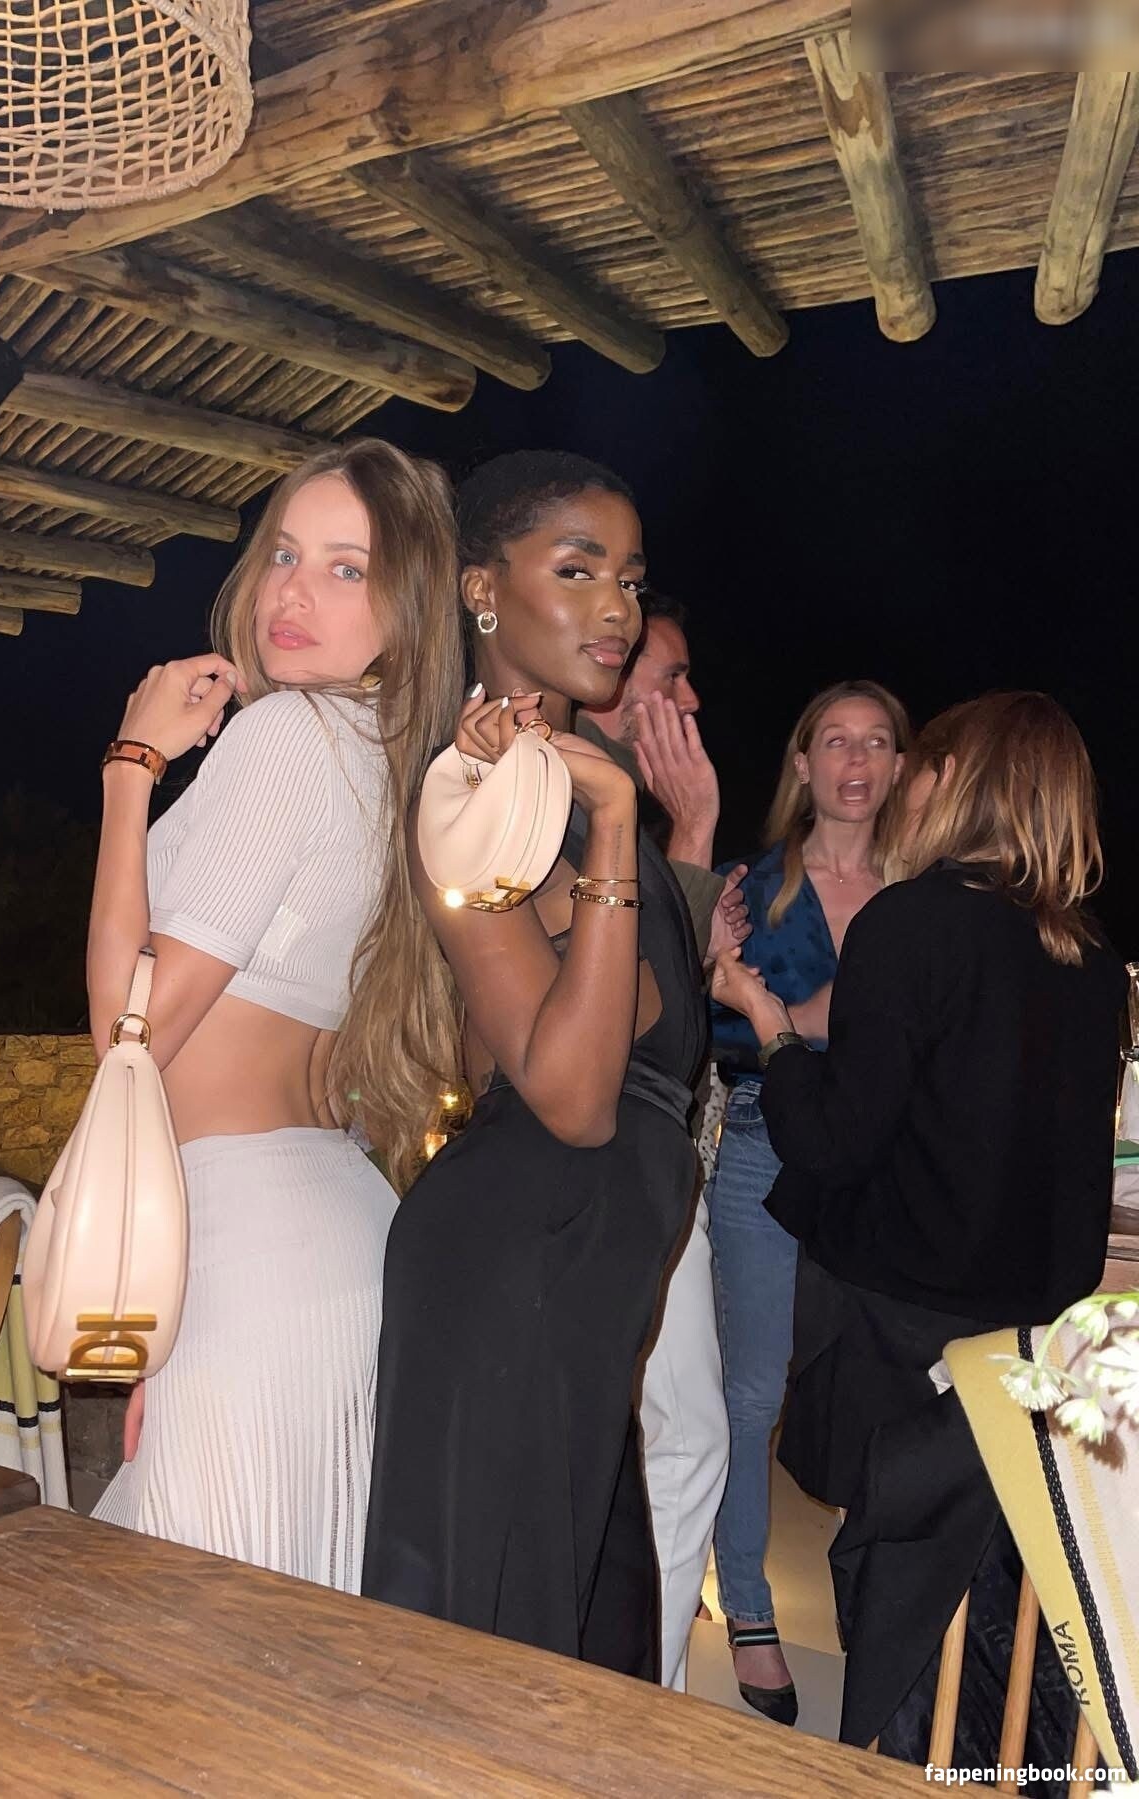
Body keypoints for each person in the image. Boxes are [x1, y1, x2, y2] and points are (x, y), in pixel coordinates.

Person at [712, 691, 1125, 1754]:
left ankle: (895, 1767)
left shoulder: (912, 921)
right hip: (1019, 1339)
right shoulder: (1085, 954)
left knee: (897, 1585)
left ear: (962, 780)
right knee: (976, 1601)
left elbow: (833, 1139)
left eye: (929, 760)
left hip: (901, 1329)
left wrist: (769, 1027)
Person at [90, 440, 464, 1594]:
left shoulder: (290, 737)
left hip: (249, 1246)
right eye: (286, 554)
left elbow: (129, 1034)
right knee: (278, 1628)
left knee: (187, 1638)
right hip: (325, 1230)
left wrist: (132, 764)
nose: (294, 591)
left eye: (347, 568)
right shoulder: (390, 760)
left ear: (406, 604)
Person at [363, 451, 708, 1678]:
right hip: (519, 1263)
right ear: (482, 588)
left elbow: (642, 1018)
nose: (617, 607)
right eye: (578, 570)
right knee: (494, 1674)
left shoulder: (557, 772)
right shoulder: (469, 796)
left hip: (579, 1277)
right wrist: (615, 828)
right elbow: (570, 1092)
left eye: (631, 579)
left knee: (577, 1659)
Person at [705, 679, 909, 1721]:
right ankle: (748, 1604)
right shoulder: (752, 886)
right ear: (803, 763)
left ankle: (883, 1603)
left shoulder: (922, 891)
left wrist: (788, 1011)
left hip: (884, 1158)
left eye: (876, 741)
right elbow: (714, 1025)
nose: (856, 760)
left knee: (884, 1381)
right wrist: (723, 971)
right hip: (764, 1143)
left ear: (901, 766)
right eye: (836, 740)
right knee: (753, 1388)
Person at [578, 595, 740, 1691]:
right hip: (612, 1161)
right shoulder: (583, 801)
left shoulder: (611, 803)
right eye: (670, 676)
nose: (691, 697)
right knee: (680, 1439)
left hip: (646, 1161)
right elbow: (638, 1023)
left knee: (667, 1435)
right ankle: (644, 1694)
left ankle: (641, 1681)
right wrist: (693, 834)